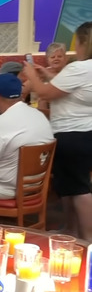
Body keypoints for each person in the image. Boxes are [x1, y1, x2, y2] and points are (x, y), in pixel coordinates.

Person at [22, 22, 92, 240]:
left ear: (82, 43)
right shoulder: (85, 70)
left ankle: (88, 237)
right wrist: (49, 75)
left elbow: (44, 93)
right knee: (69, 186)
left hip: (72, 134)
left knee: (79, 188)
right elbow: (77, 91)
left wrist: (31, 74)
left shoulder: (78, 68)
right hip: (84, 132)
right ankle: (72, 231)